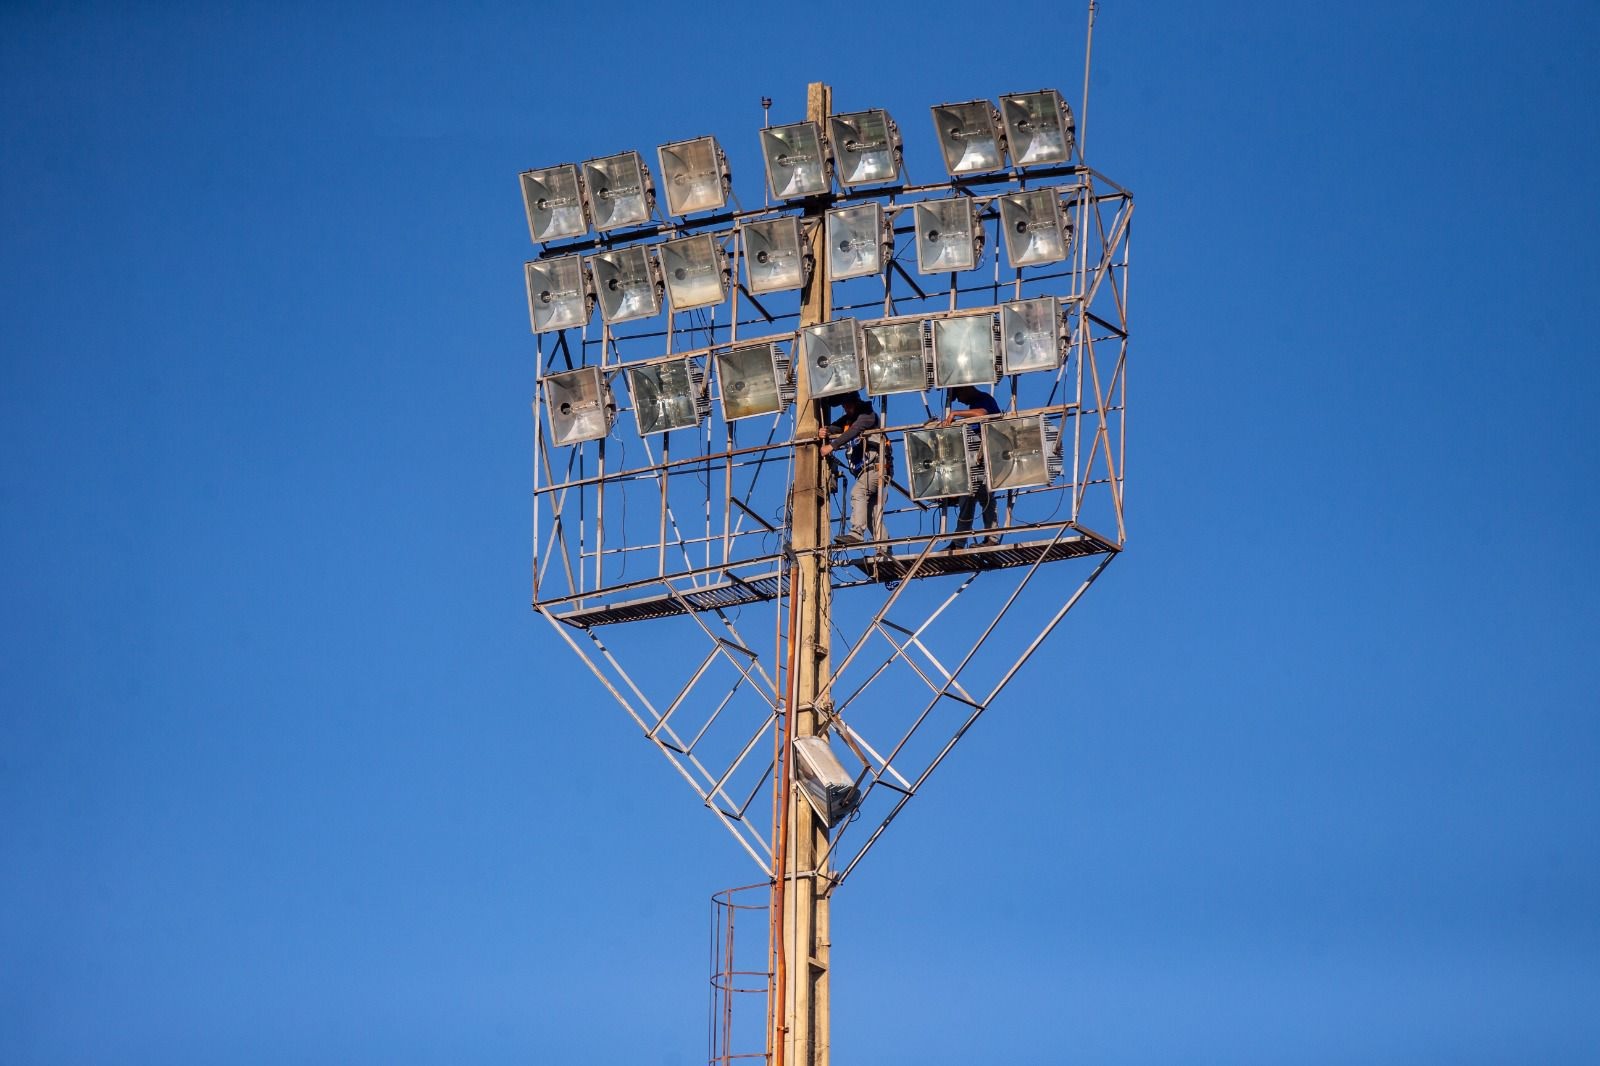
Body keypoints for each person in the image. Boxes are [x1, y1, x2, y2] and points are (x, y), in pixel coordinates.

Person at [819, 393, 891, 545]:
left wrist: (831, 446)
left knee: (858, 492)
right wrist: (826, 431)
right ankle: (885, 547)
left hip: (875, 468)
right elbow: (836, 427)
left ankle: (857, 533)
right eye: (844, 405)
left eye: (849, 404)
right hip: (865, 472)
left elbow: (854, 431)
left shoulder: (867, 416)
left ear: (857, 402)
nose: (846, 408)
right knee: (870, 514)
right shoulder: (848, 419)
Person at [943, 385, 1001, 548]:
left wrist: (956, 414)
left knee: (985, 495)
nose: (960, 401)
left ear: (965, 389)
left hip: (984, 455)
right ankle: (959, 541)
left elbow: (982, 414)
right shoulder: (974, 405)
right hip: (973, 457)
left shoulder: (984, 399)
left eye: (958, 396)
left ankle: (991, 538)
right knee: (967, 498)